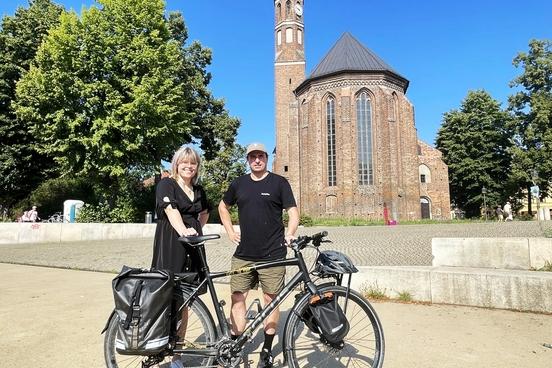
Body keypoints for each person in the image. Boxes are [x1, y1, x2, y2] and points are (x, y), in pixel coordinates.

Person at [218, 142, 299, 368]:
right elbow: (222, 206)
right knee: (237, 298)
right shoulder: (239, 184)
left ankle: (266, 350)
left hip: (273, 254)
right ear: (247, 159)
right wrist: (229, 230)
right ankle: (235, 345)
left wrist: (290, 233)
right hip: (244, 254)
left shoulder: (279, 183)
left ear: (265, 158)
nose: (257, 160)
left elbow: (293, 212)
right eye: (252, 156)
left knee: (270, 301)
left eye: (260, 156)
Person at [150, 146, 210, 368]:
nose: (188, 166)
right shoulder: (167, 184)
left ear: (197, 166)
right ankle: (154, 354)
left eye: (193, 163)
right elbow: (170, 210)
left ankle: (177, 356)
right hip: (172, 245)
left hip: (192, 248)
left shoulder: (199, 190)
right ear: (176, 163)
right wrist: (184, 230)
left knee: (186, 301)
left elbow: (205, 212)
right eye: (184, 162)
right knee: (165, 301)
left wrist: (196, 230)